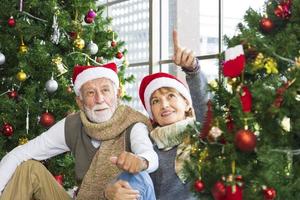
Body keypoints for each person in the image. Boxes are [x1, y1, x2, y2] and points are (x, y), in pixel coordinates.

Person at [0, 62, 158, 200]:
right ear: (80, 101)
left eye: (105, 90)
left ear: (117, 94)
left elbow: (150, 155)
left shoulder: (133, 124)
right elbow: (20, 154)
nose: (99, 99)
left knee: (134, 181)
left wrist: (141, 161)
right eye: (90, 93)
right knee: (29, 169)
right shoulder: (73, 124)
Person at [138, 30, 208, 199]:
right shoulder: (149, 151)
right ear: (152, 114)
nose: (164, 105)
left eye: (171, 96)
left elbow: (204, 103)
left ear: (186, 104)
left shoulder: (201, 133)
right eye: (155, 101)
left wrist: (192, 69)